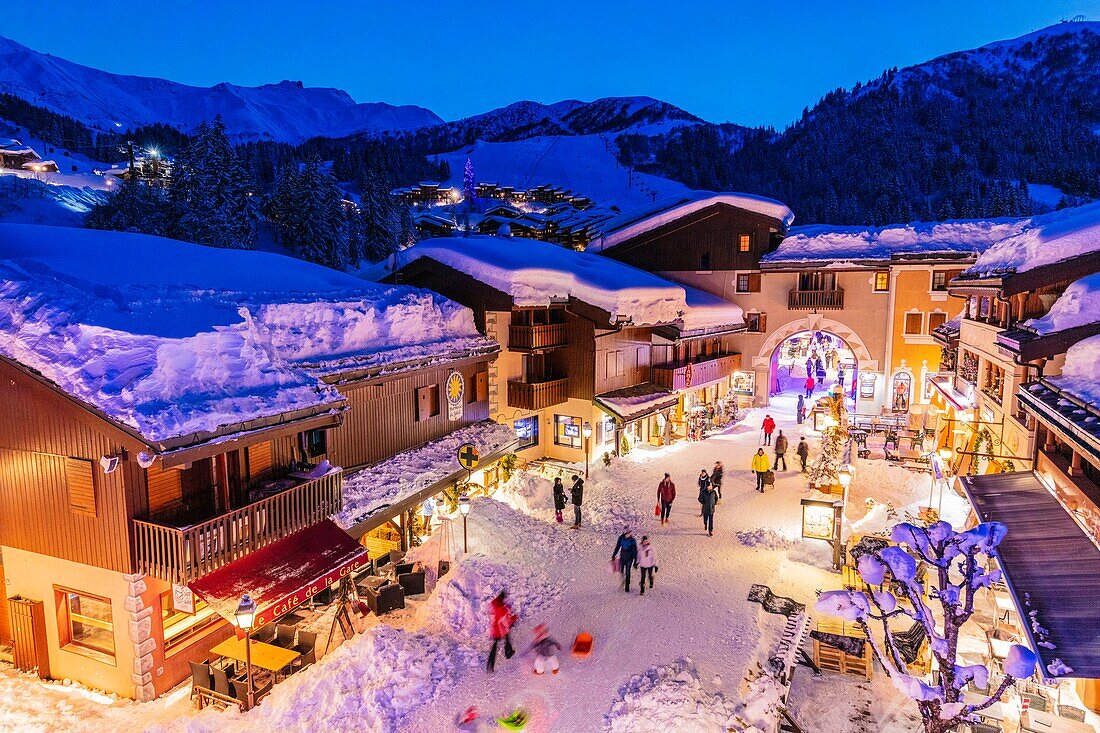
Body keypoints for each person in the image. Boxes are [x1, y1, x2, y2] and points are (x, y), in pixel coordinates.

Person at [487, 591, 517, 672]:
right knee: (507, 640)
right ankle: (508, 654)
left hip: (495, 629)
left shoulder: (494, 604)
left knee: (494, 647)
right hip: (502, 630)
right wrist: (514, 617)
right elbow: (507, 621)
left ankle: (490, 665)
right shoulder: (503, 609)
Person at [612, 528, 638, 592]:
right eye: (628, 533)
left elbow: (634, 551)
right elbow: (618, 547)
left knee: (628, 572)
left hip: (629, 558)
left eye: (630, 533)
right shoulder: (621, 538)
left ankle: (627, 586)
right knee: (621, 570)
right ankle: (624, 580)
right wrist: (614, 555)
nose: (629, 534)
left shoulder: (632, 540)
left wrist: (635, 561)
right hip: (623, 557)